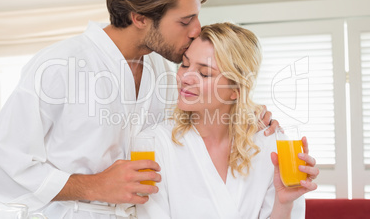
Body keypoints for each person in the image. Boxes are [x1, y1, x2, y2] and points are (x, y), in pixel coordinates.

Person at [0, 0, 277, 218]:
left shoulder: (161, 71)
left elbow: (200, 116)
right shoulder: (59, 66)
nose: (197, 29)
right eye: (185, 20)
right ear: (140, 17)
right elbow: (0, 168)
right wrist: (94, 185)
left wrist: (250, 116)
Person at [136, 23, 319, 219]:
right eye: (185, 64)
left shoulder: (271, 144)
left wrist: (285, 204)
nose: (185, 78)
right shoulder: (154, 144)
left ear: (235, 91)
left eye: (204, 73)